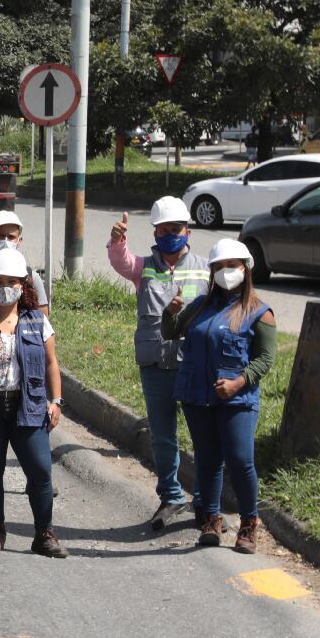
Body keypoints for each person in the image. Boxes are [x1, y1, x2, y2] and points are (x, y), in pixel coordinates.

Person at [162, 238, 275, 554]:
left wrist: (239, 382)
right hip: (198, 396)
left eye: (233, 266)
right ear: (212, 272)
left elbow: (265, 359)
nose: (227, 272)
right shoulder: (200, 306)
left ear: (246, 269)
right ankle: (212, 519)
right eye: (220, 267)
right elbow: (171, 333)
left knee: (240, 460)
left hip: (237, 400)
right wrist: (170, 313)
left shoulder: (259, 312)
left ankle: (249, 524)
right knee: (208, 461)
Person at [108, 196, 210, 531]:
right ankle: (171, 495)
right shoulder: (144, 267)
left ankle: (206, 500)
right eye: (163, 229)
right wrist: (118, 239)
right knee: (163, 435)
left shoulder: (203, 268)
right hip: (154, 362)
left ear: (188, 231)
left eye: (175, 228)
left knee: (201, 434)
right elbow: (121, 262)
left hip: (193, 364)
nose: (169, 234)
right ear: (155, 231)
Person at [0, 249, 66, 558]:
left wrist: (55, 400)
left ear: (23, 285)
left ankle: (44, 533)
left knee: (41, 470)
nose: (4, 287)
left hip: (28, 406)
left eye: (10, 281)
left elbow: (50, 363)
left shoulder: (37, 321)